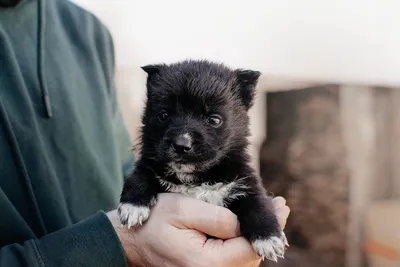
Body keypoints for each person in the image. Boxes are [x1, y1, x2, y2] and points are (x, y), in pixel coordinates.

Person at [0, 0, 290, 266]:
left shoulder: (87, 32)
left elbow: (123, 165)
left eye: (213, 120)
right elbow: (141, 176)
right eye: (165, 116)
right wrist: (122, 243)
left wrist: (260, 227)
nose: (183, 138)